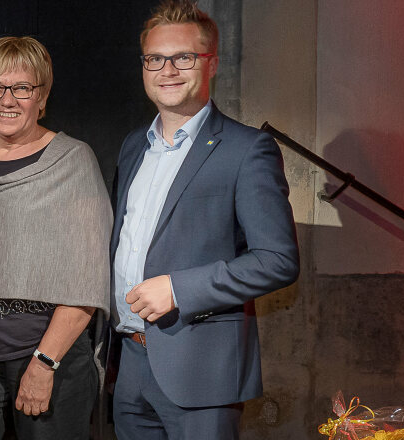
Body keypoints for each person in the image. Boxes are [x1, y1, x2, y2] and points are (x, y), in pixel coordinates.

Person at [108, 2, 299, 438]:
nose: (167, 70)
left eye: (184, 58)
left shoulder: (248, 150)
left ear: (210, 63)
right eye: (155, 59)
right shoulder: (134, 145)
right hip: (129, 366)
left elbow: (278, 259)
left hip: (202, 374)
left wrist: (178, 289)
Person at [0, 36, 112, 440]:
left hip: (47, 352)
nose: (6, 99)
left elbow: (88, 273)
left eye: (22, 89)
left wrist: (45, 362)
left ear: (42, 96)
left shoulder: (72, 161)